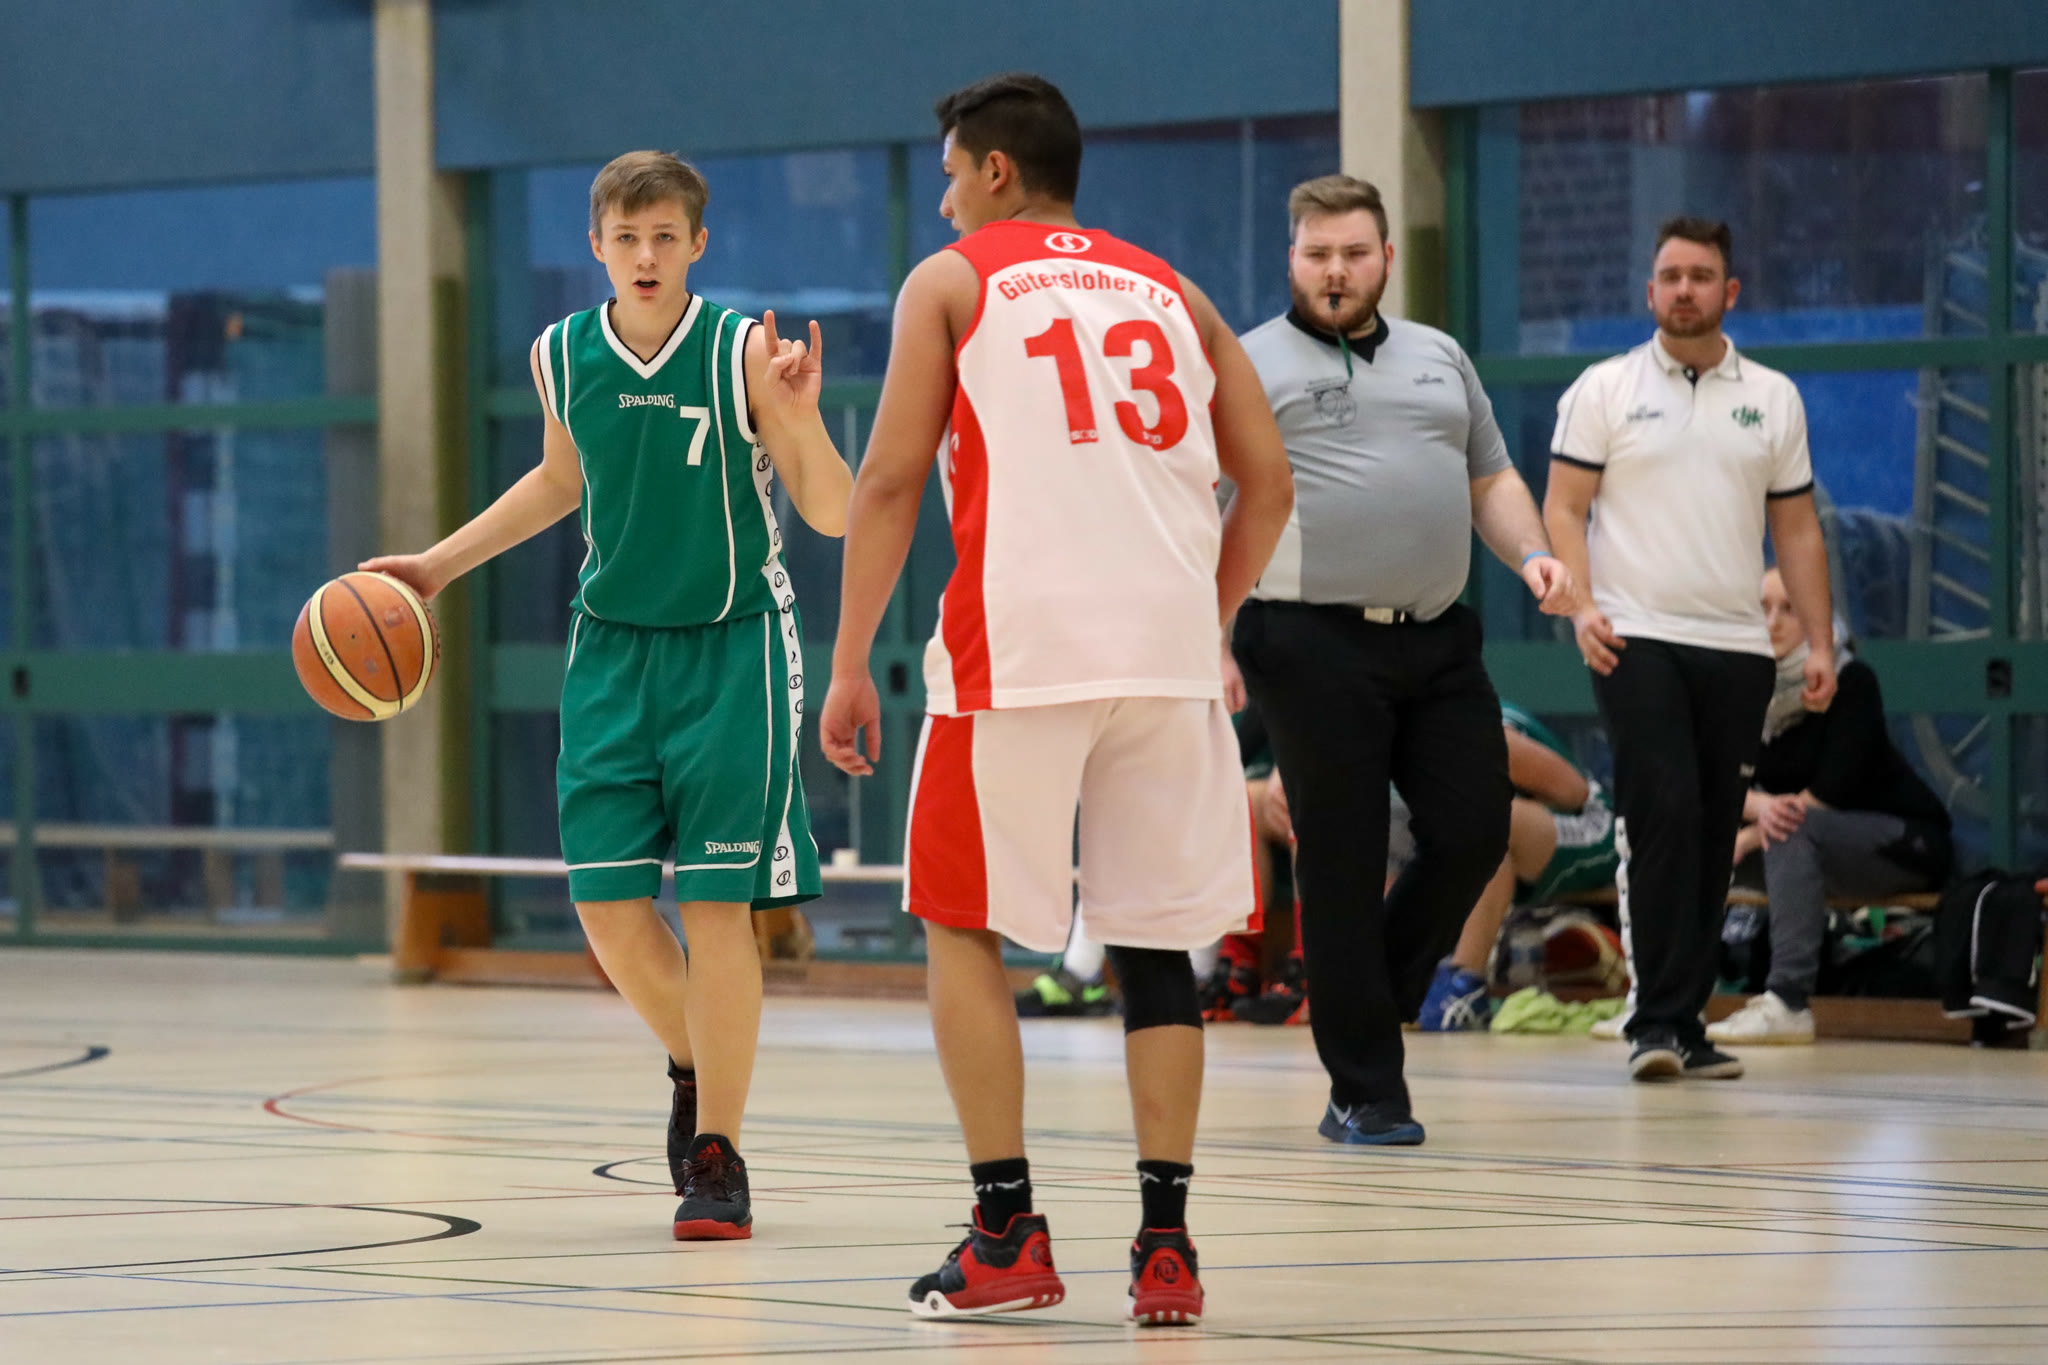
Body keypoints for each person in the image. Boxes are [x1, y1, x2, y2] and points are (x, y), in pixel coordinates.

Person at [820, 73, 1292, 1325]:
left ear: (992, 171)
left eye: (947, 176)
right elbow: (1268, 482)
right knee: (1154, 943)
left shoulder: (952, 281)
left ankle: (1004, 1232)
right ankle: (1165, 1247)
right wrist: (1204, 618)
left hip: (1017, 655)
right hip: (1164, 662)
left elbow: (888, 481)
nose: (942, 201)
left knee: (959, 924)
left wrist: (851, 658)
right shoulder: (1174, 290)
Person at [362, 151, 852, 1239]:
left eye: (664, 236)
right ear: (595, 245)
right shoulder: (561, 353)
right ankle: (694, 1060)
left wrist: (802, 416)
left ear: (697, 244)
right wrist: (435, 567)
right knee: (607, 910)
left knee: (717, 908)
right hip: (611, 656)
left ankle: (718, 1153)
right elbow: (560, 479)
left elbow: (831, 512)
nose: (645, 254)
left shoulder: (739, 351)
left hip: (730, 651)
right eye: (626, 237)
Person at [1230, 174, 1574, 1146]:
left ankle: (1365, 997)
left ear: (1385, 258)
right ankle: (1366, 1089)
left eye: (1352, 253)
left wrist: (1534, 554)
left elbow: (1490, 478)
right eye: (1316, 255)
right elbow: (1205, 502)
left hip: (1434, 633)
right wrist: (1208, 633)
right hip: (1304, 638)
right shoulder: (1249, 365)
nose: (1334, 271)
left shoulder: (1439, 357)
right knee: (1340, 858)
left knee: (1474, 827)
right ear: (1292, 261)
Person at [1544, 216, 1836, 1083]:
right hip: (1634, 638)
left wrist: (1820, 642)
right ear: (1650, 291)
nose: (1683, 289)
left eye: (1700, 276)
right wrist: (1582, 608)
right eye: (1670, 275)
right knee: (1662, 813)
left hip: (1738, 649)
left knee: (1712, 832)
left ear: (1729, 291)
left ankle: (1687, 1023)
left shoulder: (1774, 398)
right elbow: (1563, 507)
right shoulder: (1603, 389)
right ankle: (1654, 1021)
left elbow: (1797, 529)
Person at [1709, 569, 1954, 1044]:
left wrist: (1749, 834)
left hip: (1905, 843)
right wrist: (1753, 812)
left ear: (1818, 618)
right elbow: (1718, 782)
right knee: (1693, 839)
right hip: (1806, 845)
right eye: (1763, 608)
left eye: (1789, 609)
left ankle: (1788, 1002)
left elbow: (1830, 793)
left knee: (1790, 830)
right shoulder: (1745, 691)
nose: (1773, 622)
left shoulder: (1850, 681)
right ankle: (1668, 999)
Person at [1415, 703, 1618, 1032]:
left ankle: (1464, 985)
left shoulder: (1475, 730)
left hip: (1594, 828)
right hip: (1515, 838)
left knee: (1484, 821)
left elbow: (1573, 791)